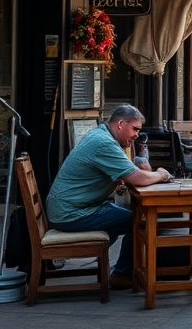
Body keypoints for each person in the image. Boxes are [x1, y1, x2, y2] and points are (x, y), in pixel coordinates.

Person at [45, 104, 172, 288]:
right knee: (142, 221)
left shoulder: (100, 135)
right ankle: (123, 274)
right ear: (121, 123)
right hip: (71, 214)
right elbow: (139, 178)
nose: (137, 134)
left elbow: (129, 175)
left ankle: (132, 270)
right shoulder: (104, 143)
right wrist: (161, 174)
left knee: (134, 216)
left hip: (71, 208)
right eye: (135, 129)